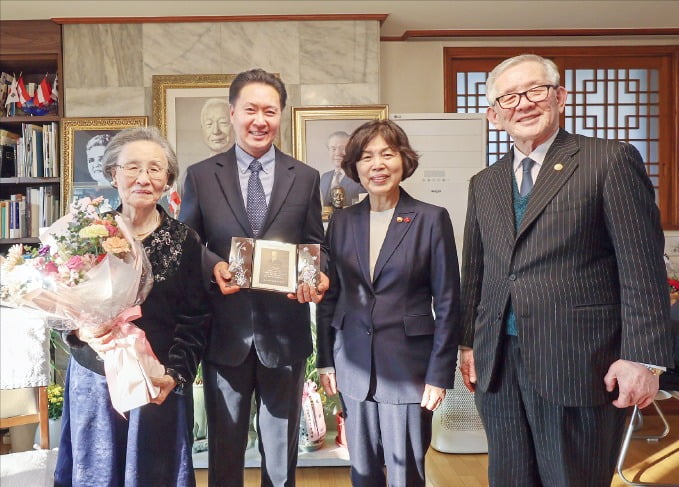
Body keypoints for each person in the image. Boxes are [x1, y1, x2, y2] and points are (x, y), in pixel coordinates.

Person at [459, 54, 673, 486]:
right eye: (509, 97)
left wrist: (643, 359)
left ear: (561, 97)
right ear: (494, 114)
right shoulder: (485, 181)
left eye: (535, 90)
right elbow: (477, 271)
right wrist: (468, 344)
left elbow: (643, 266)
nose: (523, 103)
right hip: (499, 364)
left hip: (577, 361)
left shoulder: (608, 161)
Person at [179, 68, 329, 487]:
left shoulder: (306, 177)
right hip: (224, 333)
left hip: (285, 332)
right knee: (225, 450)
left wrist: (318, 277)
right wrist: (213, 267)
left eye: (270, 110)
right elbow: (187, 244)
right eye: (250, 109)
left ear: (281, 115)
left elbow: (316, 245)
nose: (259, 120)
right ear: (232, 113)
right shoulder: (201, 174)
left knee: (281, 450)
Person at [54, 127, 211, 486]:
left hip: (155, 384)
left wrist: (173, 375)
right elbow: (61, 307)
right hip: (95, 381)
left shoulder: (185, 241)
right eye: (132, 168)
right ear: (113, 174)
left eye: (156, 169)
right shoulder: (85, 231)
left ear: (168, 180)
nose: (144, 178)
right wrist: (83, 331)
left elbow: (195, 319)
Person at [316, 119, 461, 487]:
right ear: (355, 167)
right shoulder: (343, 222)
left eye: (387, 154)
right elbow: (332, 297)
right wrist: (326, 360)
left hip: (408, 369)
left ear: (403, 161)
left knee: (406, 473)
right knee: (362, 472)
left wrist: (439, 374)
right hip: (353, 367)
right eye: (366, 157)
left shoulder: (430, 219)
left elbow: (447, 302)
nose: (377, 165)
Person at [319, 130, 365, 207]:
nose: (337, 153)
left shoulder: (360, 177)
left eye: (342, 148)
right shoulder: (324, 177)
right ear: (328, 151)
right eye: (333, 149)